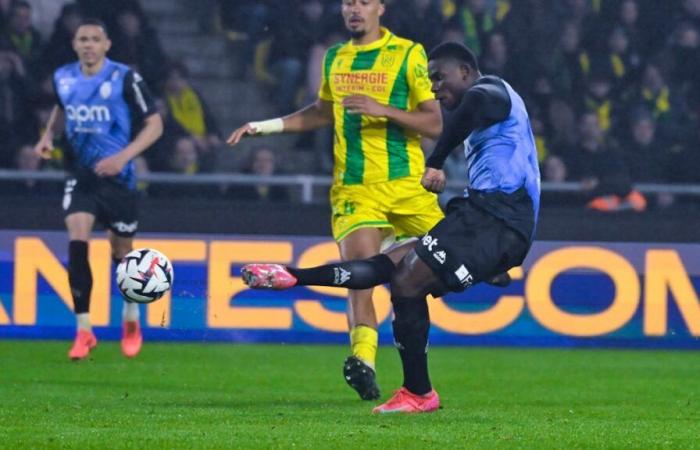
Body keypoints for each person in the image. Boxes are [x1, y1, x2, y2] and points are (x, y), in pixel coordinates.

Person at [240, 41, 541, 414]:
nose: (433, 87)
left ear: (465, 71)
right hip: (479, 217)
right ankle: (418, 392)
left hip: (499, 221)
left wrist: (436, 161)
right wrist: (295, 277)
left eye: (439, 77)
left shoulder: (493, 92)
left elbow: (476, 102)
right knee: (391, 269)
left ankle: (419, 392)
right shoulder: (479, 113)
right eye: (430, 80)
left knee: (406, 280)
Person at [227, 0, 445, 401]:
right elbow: (321, 112)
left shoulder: (408, 54)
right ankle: (364, 363)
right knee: (359, 275)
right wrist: (266, 126)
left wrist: (382, 109)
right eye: (348, 2)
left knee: (446, 269)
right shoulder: (335, 58)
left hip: (408, 189)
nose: (354, 9)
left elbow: (433, 122)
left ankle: (498, 264)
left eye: (363, 1)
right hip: (354, 190)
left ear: (382, 6)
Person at [33, 19, 163, 361]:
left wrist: (122, 158)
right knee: (77, 239)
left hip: (120, 179)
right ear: (75, 45)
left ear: (106, 45)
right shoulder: (63, 77)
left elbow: (155, 124)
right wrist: (48, 136)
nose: (88, 44)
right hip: (82, 175)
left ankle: (131, 318)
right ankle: (84, 329)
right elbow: (61, 108)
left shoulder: (124, 78)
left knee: (123, 255)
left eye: (95, 39)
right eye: (82, 39)